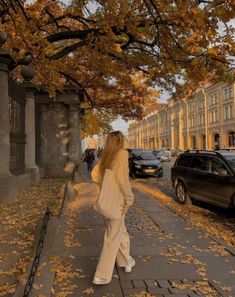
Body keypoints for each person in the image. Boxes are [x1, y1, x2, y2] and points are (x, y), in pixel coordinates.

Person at [91, 131, 135, 285]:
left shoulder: (106, 154)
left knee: (120, 232)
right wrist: (129, 199)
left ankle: (126, 261)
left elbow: (94, 175)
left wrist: (105, 187)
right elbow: (123, 180)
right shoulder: (122, 154)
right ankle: (101, 275)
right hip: (117, 204)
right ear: (120, 141)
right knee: (112, 238)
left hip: (106, 202)